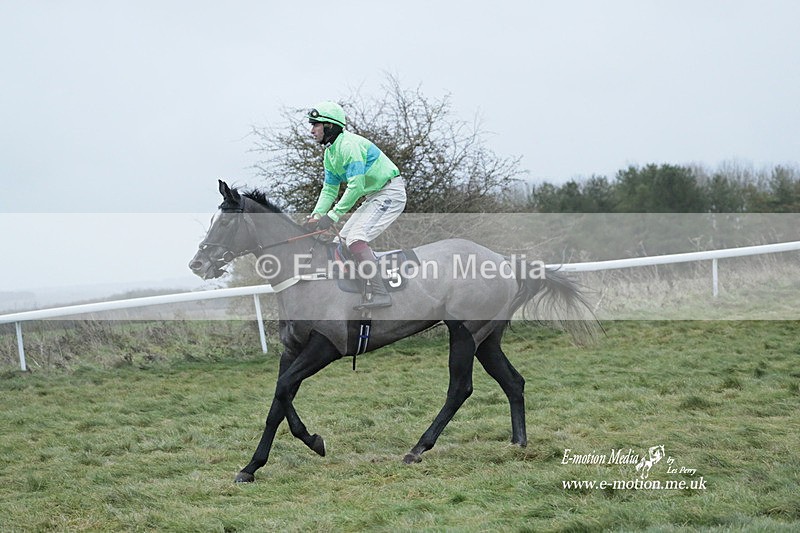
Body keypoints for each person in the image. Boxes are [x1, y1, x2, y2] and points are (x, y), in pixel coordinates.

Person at [304, 101, 407, 310]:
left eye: (316, 125)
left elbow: (356, 186)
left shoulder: (349, 145)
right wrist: (316, 216)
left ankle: (381, 293)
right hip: (374, 196)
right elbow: (329, 190)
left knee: (355, 239)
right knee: (339, 241)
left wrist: (333, 215)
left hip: (390, 192)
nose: (311, 130)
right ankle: (363, 286)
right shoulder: (330, 153)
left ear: (330, 126)